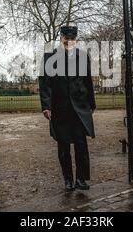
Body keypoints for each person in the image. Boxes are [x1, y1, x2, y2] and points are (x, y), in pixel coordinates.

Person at [38, 26, 96, 192]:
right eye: (66, 38)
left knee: (81, 144)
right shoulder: (49, 57)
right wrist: (46, 106)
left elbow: (88, 82)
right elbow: (44, 83)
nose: (69, 41)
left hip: (79, 108)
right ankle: (68, 180)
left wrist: (91, 104)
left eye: (72, 39)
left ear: (75, 39)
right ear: (61, 38)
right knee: (63, 147)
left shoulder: (83, 57)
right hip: (60, 108)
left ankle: (81, 179)